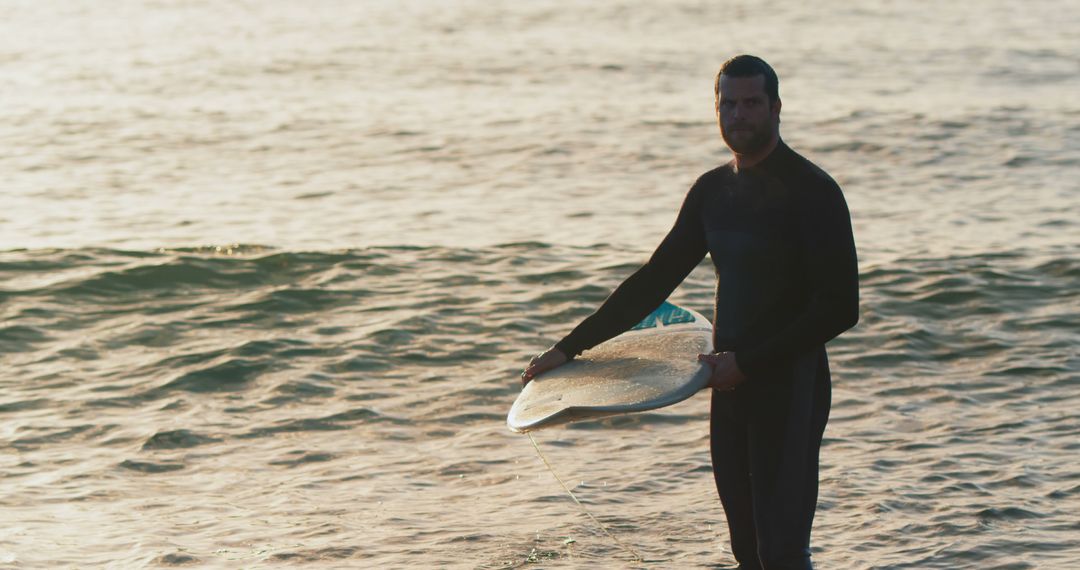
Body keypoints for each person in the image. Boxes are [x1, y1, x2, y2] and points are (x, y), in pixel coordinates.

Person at [519, 55, 859, 570]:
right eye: (729, 104)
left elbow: (840, 307)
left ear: (776, 108)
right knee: (747, 549)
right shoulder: (713, 192)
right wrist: (569, 347)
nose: (739, 115)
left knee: (783, 552)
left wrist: (749, 363)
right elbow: (653, 282)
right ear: (716, 107)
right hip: (727, 386)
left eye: (752, 103)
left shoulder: (812, 191)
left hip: (789, 386)